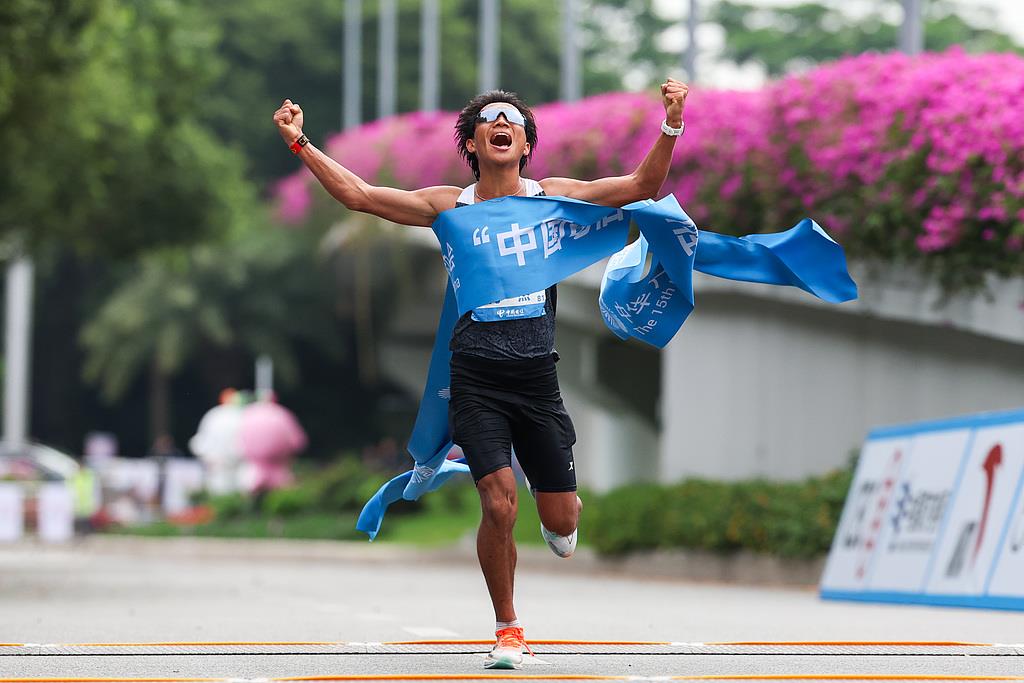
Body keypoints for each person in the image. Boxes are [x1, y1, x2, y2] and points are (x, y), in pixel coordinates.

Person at [272, 79, 688, 669]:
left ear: (525, 143)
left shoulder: (554, 198)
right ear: (472, 142)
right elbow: (361, 196)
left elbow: (641, 188)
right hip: (475, 379)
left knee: (562, 525)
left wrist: (670, 123)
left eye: (512, 121)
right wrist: (301, 144)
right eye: (489, 120)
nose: (501, 124)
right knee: (498, 504)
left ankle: (557, 507)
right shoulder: (450, 207)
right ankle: (508, 627)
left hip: (538, 379)